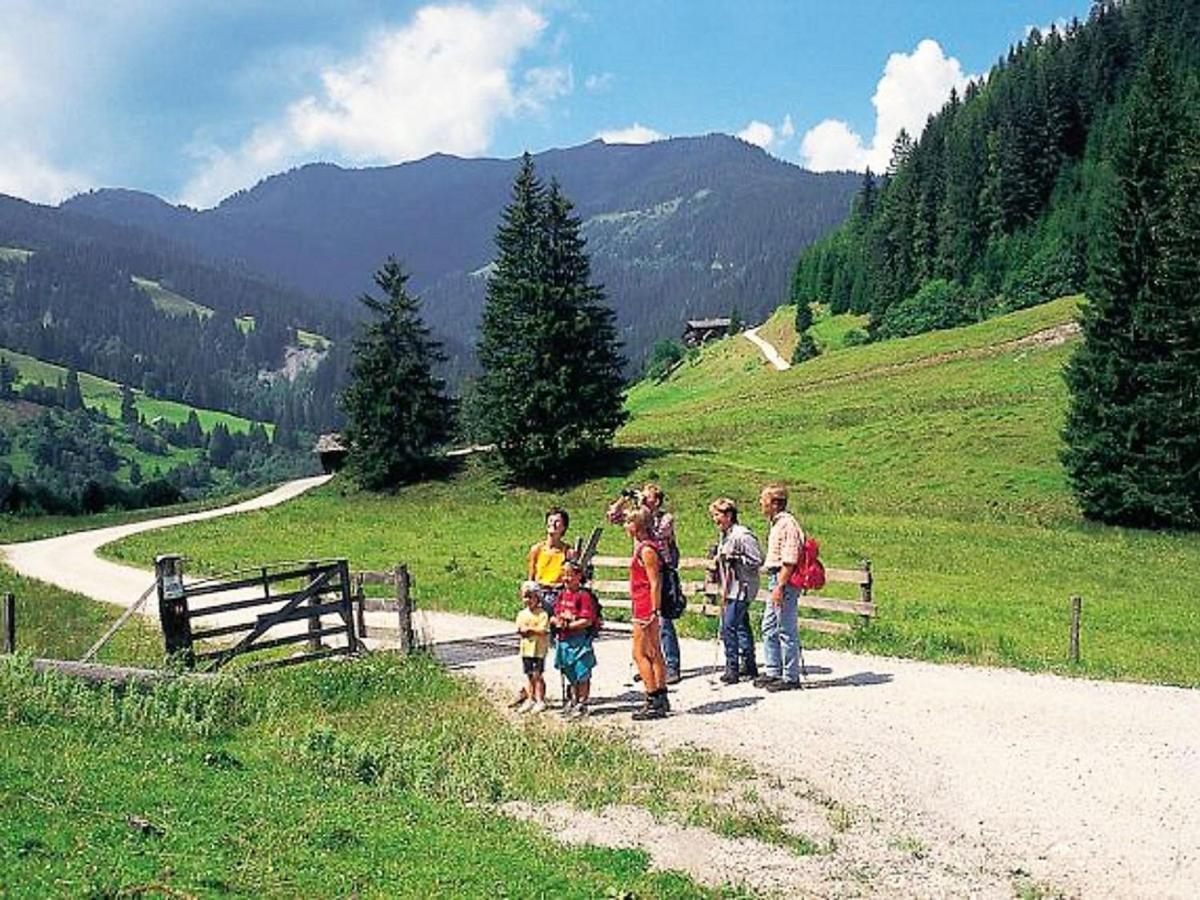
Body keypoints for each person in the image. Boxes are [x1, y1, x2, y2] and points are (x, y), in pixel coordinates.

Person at [607, 482, 682, 683]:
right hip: (641, 568)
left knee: (663, 621)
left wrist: (643, 512)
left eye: (647, 497)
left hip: (661, 571)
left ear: (656, 500)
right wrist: (623, 499)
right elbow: (613, 517)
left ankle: (672, 665)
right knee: (643, 627)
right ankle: (648, 665)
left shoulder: (665, 519)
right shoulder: (638, 515)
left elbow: (654, 534)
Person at [708, 497, 762, 684]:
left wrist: (736, 558)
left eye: (717, 515)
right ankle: (749, 664)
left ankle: (732, 667)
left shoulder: (742, 535)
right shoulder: (726, 534)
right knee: (741, 625)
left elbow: (756, 560)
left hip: (742, 587)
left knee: (728, 625)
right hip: (731, 587)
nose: (715, 520)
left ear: (729, 515)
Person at [756, 483, 804, 691]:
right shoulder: (776, 523)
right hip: (775, 577)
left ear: (775, 503)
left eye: (764, 500)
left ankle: (791, 676)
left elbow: (790, 559)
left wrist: (780, 586)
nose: (761, 504)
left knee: (785, 627)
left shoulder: (788, 525)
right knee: (769, 626)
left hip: (783, 579)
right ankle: (773, 670)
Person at [626, 507, 669, 719]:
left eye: (628, 522)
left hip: (645, 606)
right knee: (654, 651)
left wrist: (654, 609)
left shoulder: (646, 550)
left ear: (637, 526)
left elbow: (655, 582)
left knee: (641, 653)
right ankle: (661, 696)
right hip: (644, 604)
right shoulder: (647, 547)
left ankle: (652, 697)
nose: (625, 526)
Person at [551, 561, 598, 718]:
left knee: (582, 672)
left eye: (570, 574)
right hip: (564, 640)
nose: (566, 578)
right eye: (564, 574)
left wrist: (569, 625)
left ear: (579, 576)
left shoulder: (583, 596)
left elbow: (587, 620)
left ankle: (582, 703)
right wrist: (557, 621)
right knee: (569, 672)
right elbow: (554, 615)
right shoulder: (561, 595)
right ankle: (572, 700)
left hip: (580, 640)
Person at [528, 506, 572, 614]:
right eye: (551, 520)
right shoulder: (537, 549)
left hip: (558, 592)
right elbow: (531, 576)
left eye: (557, 522)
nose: (553, 524)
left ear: (563, 527)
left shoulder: (566, 550)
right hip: (540, 591)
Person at [515, 580, 550, 713]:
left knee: (538, 675)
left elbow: (543, 630)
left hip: (538, 650)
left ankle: (540, 699)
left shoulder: (542, 614)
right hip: (526, 649)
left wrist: (530, 629)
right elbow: (518, 628)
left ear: (537, 597)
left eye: (531, 596)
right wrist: (522, 630)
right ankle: (530, 698)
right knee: (529, 674)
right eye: (526, 596)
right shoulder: (522, 614)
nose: (528, 600)